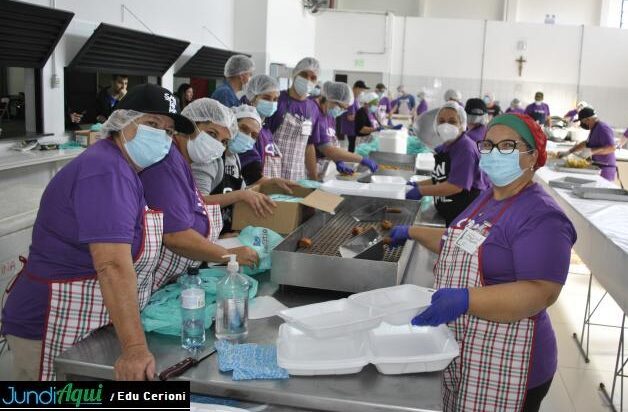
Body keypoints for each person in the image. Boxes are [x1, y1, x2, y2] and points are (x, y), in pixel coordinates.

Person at [0, 83, 197, 381]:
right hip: (49, 323)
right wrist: (134, 349)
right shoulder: (107, 170)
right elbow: (112, 264)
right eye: (152, 124)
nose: (162, 136)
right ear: (121, 121)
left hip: (82, 320)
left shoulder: (124, 168)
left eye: (168, 131)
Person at [390, 113, 576, 412]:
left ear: (532, 156)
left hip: (512, 361)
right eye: (488, 145)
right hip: (469, 348)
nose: (493, 153)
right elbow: (460, 243)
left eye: (507, 146)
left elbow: (541, 292)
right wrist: (412, 232)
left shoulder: (542, 216)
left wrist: (466, 299)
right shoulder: (489, 197)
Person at [138, 92, 259, 271]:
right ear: (189, 125)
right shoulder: (167, 162)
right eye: (211, 133)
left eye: (224, 141)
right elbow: (175, 236)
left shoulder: (184, 162)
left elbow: (194, 209)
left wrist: (216, 242)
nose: (217, 144)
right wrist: (228, 254)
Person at [406, 101, 488, 226]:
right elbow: (440, 179)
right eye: (441, 121)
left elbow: (455, 186)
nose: (446, 125)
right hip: (449, 212)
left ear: (462, 124)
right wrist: (415, 185)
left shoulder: (465, 149)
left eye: (452, 121)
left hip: (463, 216)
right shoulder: (447, 145)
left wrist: (421, 191)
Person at [266, 57, 323, 181]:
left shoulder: (313, 108)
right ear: (295, 74)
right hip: (272, 173)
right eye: (304, 75)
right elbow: (262, 138)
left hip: (297, 176)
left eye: (313, 78)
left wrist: (314, 179)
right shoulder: (277, 99)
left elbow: (309, 146)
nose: (308, 80)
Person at [313, 81, 378, 177]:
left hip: (320, 166)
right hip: (309, 167)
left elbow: (331, 140)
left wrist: (338, 161)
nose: (341, 111)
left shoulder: (330, 116)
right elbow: (328, 149)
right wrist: (361, 159)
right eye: (341, 107)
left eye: (345, 109)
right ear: (331, 99)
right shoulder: (315, 113)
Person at [238, 74, 284, 181]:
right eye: (266, 98)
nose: (272, 103)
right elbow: (251, 170)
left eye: (275, 99)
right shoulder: (245, 126)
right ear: (252, 97)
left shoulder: (265, 128)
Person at [559, 107, 617, 181]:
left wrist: (592, 151)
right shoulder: (594, 128)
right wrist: (569, 151)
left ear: (588, 119)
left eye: (582, 121)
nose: (583, 124)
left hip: (605, 169)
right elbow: (586, 143)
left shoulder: (602, 128)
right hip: (597, 167)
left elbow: (612, 148)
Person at [339, 80, 369, 153]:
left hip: (353, 127)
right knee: (352, 145)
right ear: (357, 88)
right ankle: (350, 160)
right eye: (361, 90)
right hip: (350, 127)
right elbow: (350, 117)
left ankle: (350, 159)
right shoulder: (350, 99)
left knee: (352, 145)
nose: (361, 93)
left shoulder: (354, 99)